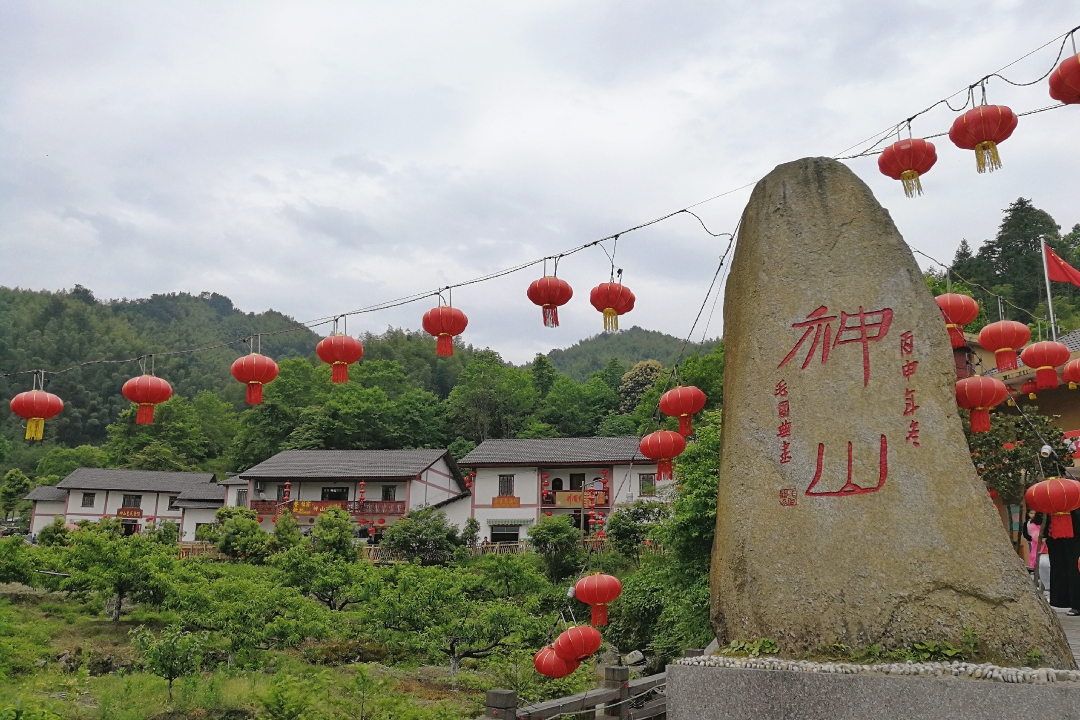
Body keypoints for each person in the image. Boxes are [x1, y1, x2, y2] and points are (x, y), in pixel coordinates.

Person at [1044, 508, 1080, 616]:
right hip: (1057, 541)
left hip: (1075, 542)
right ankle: (1065, 601)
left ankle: (1077, 605)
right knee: (1061, 571)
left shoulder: (1075, 506)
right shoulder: (1052, 506)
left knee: (1074, 572)